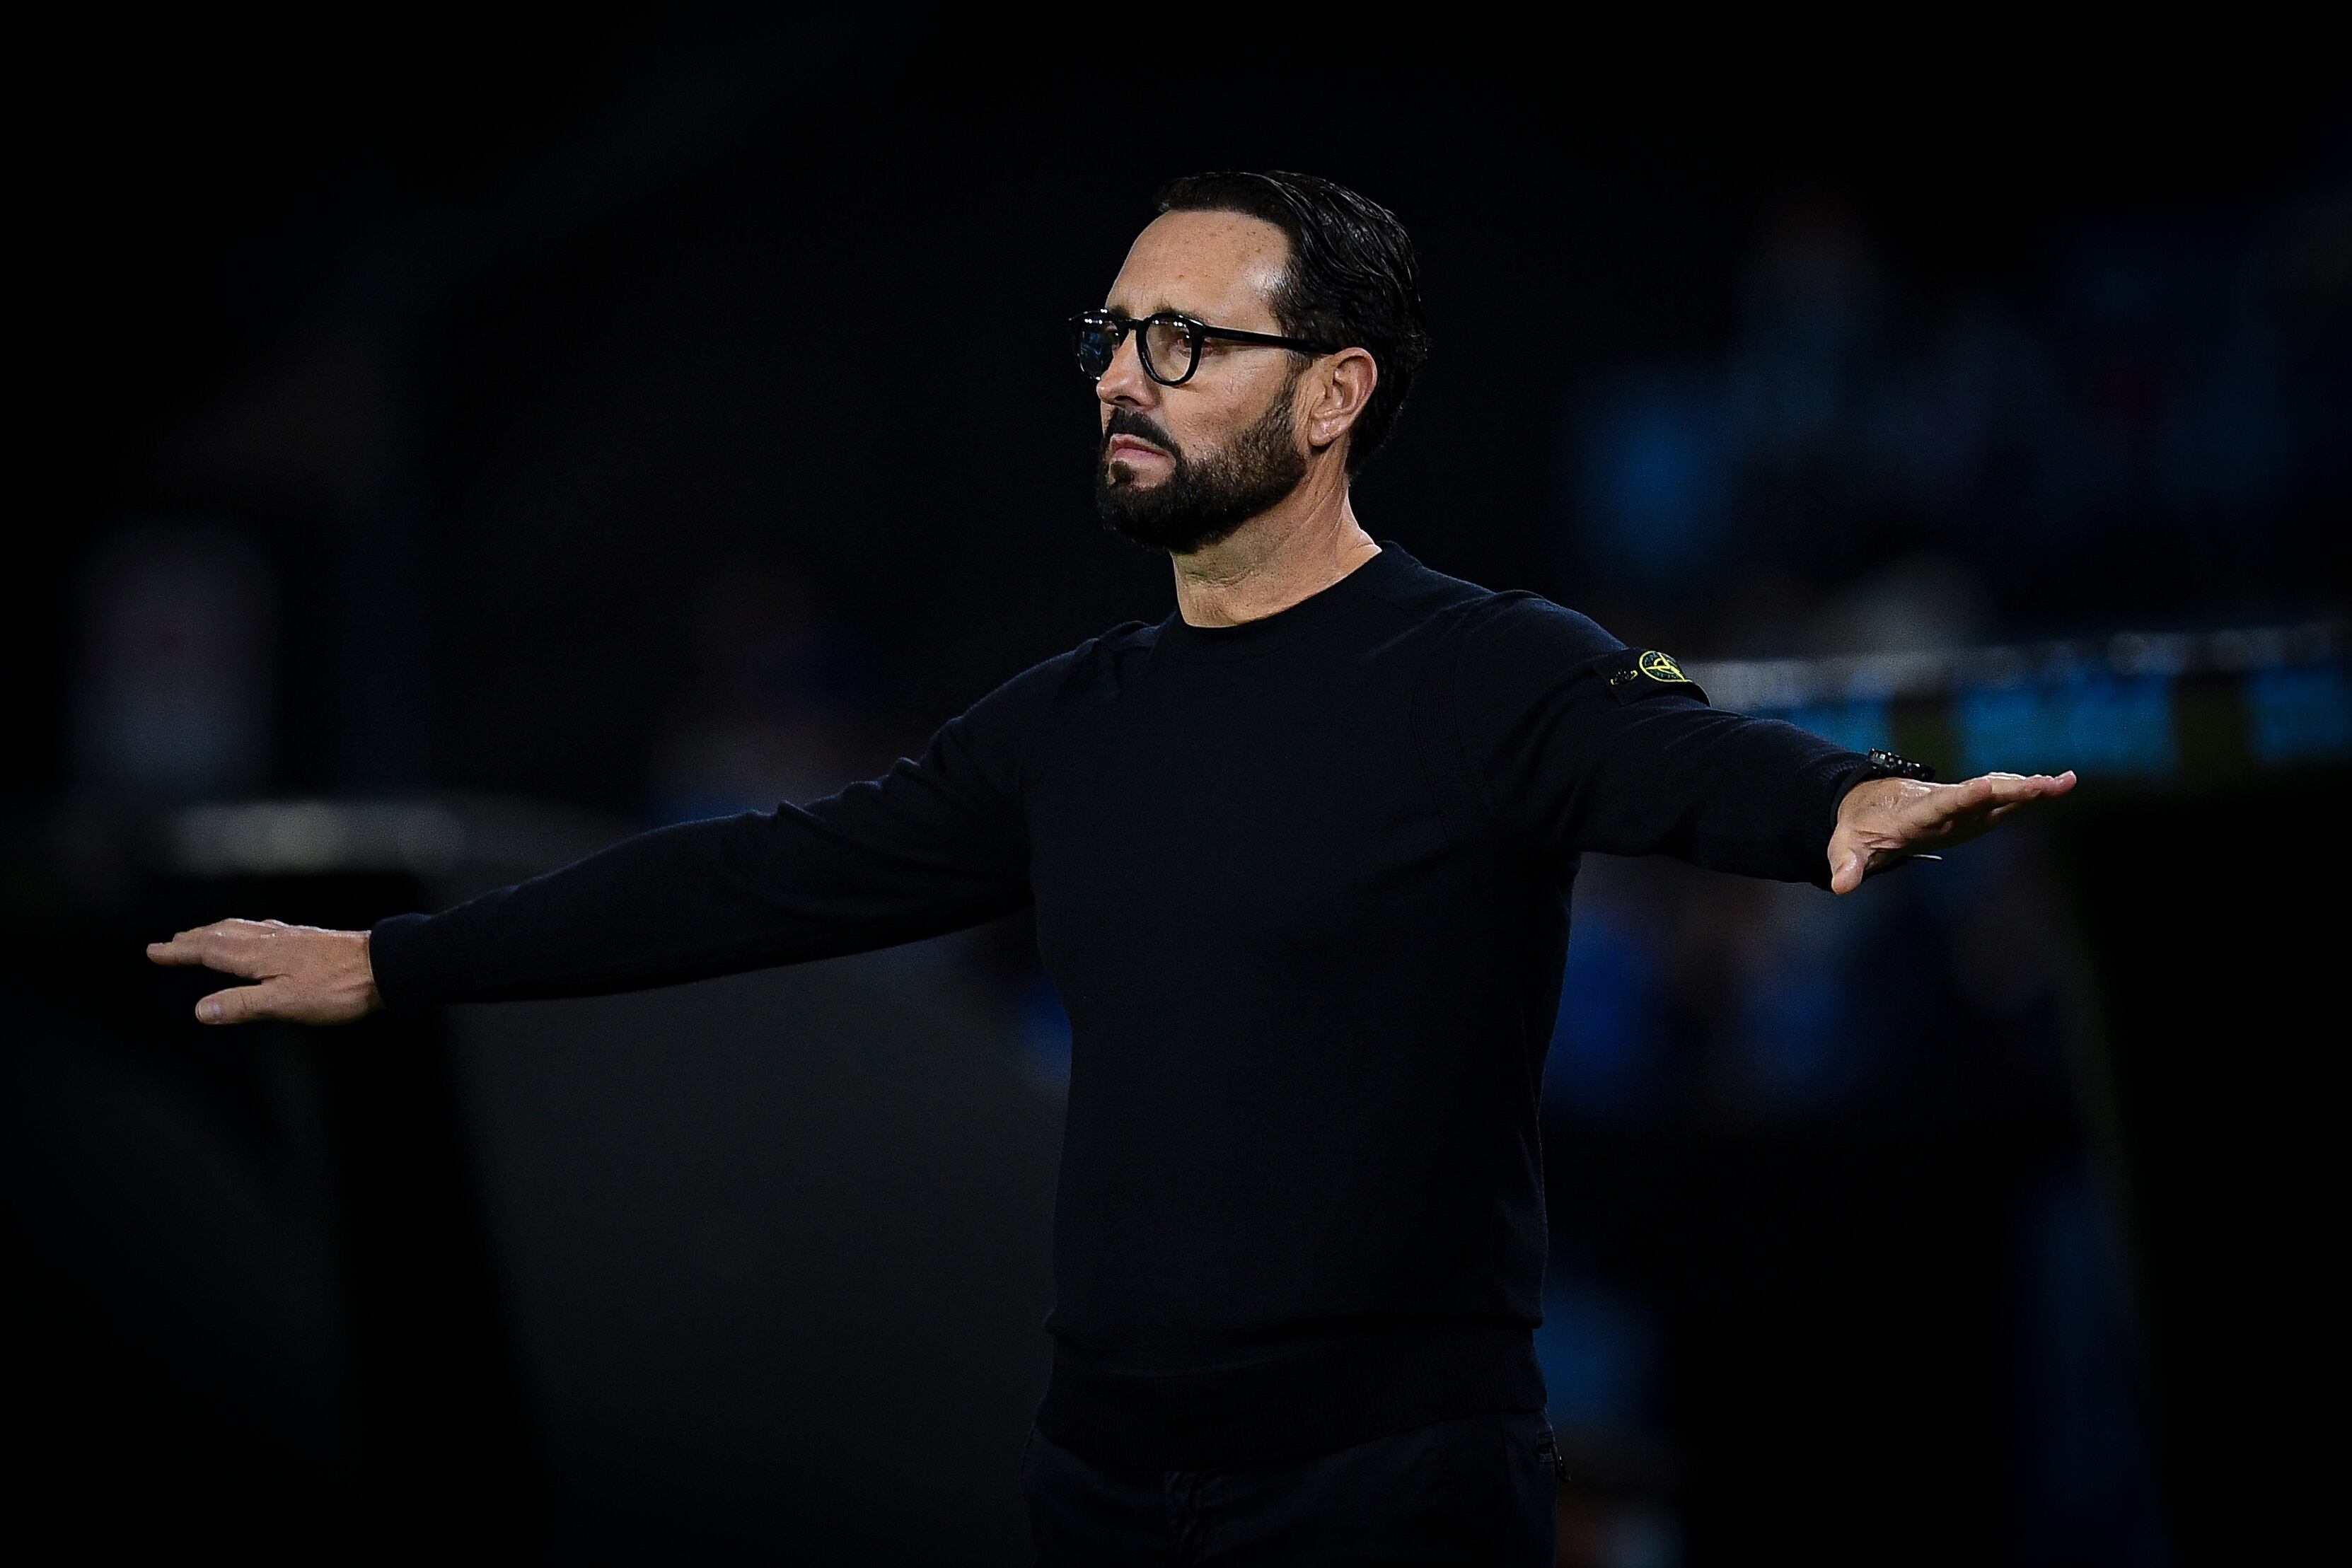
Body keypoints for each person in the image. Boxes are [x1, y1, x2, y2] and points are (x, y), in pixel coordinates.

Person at [149, 170, 2074, 1564]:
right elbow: (760, 880)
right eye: (1109, 336)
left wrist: (1836, 803)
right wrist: (401, 963)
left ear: (1333, 397)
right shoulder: (1070, 721)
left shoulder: (1485, 666)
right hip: (1106, 1482)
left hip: (1382, 1492)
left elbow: (1664, 754)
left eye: (1182, 339)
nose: (1120, 376)